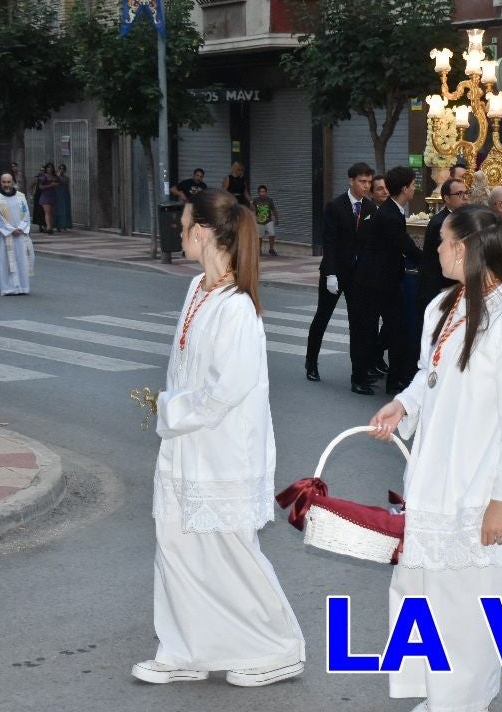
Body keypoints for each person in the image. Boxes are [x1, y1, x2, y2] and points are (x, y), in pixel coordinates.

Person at [369, 205, 502, 712]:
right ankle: (439, 697)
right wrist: (402, 404)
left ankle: (462, 702)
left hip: (478, 488)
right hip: (433, 479)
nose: (439, 250)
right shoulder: (443, 307)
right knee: (423, 596)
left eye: (445, 242)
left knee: (469, 608)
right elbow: (429, 377)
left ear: (467, 248)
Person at [132, 188, 305, 688]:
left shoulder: (237, 308)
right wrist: (174, 413)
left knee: (232, 553)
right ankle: (186, 649)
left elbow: (225, 390)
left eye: (182, 223)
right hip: (186, 445)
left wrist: (170, 409)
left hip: (222, 450)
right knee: (176, 544)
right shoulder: (197, 289)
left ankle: (279, 647)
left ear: (201, 233)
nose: (177, 229)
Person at [305, 163, 377, 392]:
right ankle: (311, 363)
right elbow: (330, 242)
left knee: (359, 325)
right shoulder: (335, 206)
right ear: (351, 181)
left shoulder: (370, 208)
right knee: (322, 317)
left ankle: (358, 377)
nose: (366, 186)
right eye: (362, 181)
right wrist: (331, 274)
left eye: (369, 182)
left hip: (358, 277)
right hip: (334, 273)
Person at [358, 166, 423, 395]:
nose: (415, 188)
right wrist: (429, 260)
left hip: (384, 280)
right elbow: (404, 245)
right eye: (413, 184)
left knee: (393, 330)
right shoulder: (391, 215)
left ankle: (389, 377)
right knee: (385, 331)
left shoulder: (392, 210)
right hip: (378, 282)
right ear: (405, 188)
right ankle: (376, 378)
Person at [417, 177, 470, 322]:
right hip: (438, 290)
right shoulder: (441, 223)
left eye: (466, 193)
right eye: (459, 194)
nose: (465, 197)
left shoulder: (459, 218)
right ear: (446, 198)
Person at [0, 173, 34, 296]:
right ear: (1, 182)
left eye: (9, 182)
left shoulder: (20, 197)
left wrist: (20, 228)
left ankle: (22, 287)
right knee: (5, 261)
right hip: (5, 236)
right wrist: (10, 229)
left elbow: (26, 213)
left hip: (19, 234)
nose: (6, 185)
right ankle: (7, 288)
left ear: (13, 182)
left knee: (21, 260)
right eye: (4, 182)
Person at [252, 185, 280, 256]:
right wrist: (254, 218)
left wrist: (276, 219)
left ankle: (271, 249)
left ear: (266, 192)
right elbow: (253, 210)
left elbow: (273, 209)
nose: (262, 193)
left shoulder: (269, 200)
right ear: (258, 193)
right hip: (259, 221)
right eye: (261, 192)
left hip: (268, 220)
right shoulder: (255, 200)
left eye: (264, 192)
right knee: (259, 237)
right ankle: (259, 250)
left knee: (272, 234)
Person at [36, 162, 59, 234]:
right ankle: (49, 227)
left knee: (52, 212)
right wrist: (50, 185)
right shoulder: (44, 177)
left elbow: (59, 184)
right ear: (46, 169)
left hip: (53, 195)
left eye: (51, 167)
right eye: (48, 167)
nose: (50, 169)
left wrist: (56, 185)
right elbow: (40, 187)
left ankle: (50, 226)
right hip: (45, 196)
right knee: (47, 212)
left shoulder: (55, 176)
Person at [55, 163, 73, 231]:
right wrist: (58, 175)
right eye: (60, 168)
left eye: (63, 169)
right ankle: (59, 225)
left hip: (65, 194)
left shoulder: (66, 178)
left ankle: (65, 225)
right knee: (59, 210)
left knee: (65, 209)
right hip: (58, 195)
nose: (61, 170)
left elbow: (66, 184)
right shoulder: (56, 177)